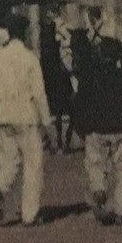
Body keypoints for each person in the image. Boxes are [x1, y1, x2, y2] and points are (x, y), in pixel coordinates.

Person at [0, 13, 50, 227]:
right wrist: (47, 122)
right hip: (26, 117)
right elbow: (39, 93)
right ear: (24, 33)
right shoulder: (30, 58)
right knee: (33, 164)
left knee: (9, 162)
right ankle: (30, 214)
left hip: (1, 118)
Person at [73, 19, 122, 225]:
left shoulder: (89, 76)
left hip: (95, 129)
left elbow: (80, 102)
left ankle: (98, 188)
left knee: (94, 164)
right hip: (121, 128)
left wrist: (81, 127)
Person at [41, 24, 75, 154]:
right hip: (61, 79)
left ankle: (60, 142)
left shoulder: (46, 47)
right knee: (70, 112)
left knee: (58, 114)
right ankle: (64, 142)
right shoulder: (55, 44)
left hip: (53, 80)